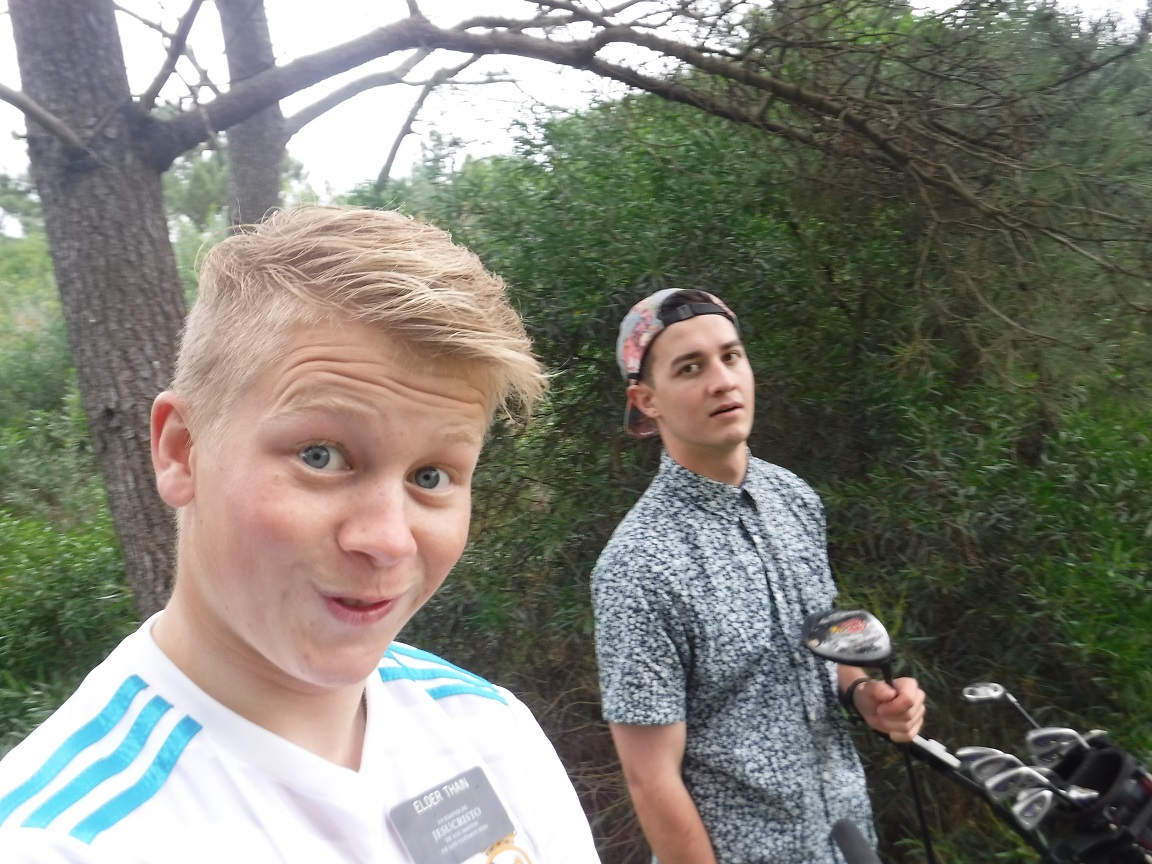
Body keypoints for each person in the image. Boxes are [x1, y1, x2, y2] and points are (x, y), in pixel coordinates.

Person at [0, 206, 601, 864]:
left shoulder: (489, 729)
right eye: (322, 456)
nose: (388, 540)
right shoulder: (59, 843)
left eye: (431, 476)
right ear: (181, 450)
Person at [590, 288, 926, 864]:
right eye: (690, 368)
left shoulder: (795, 498)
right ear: (647, 400)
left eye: (731, 356)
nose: (722, 381)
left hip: (849, 840)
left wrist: (865, 694)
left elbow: (824, 643)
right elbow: (651, 779)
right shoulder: (638, 566)